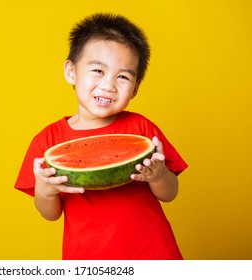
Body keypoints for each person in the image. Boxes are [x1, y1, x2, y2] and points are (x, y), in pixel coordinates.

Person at [14, 13, 188, 260]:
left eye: (123, 77)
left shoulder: (142, 128)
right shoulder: (47, 140)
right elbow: (50, 214)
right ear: (71, 72)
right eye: (98, 70)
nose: (109, 85)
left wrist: (159, 175)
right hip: (88, 259)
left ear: (136, 88)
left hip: (153, 252)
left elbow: (169, 193)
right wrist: (45, 190)